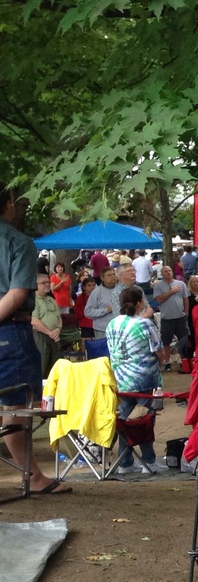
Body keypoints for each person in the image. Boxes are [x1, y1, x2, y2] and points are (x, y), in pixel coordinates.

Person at [0, 186, 72, 494]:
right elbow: (17, 294)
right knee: (16, 405)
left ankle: (32, 476)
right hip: (9, 330)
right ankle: (33, 477)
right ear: (8, 204)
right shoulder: (17, 241)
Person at [104, 286, 165, 473]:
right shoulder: (145, 324)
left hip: (121, 378)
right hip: (144, 378)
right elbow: (158, 349)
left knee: (125, 421)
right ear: (139, 303)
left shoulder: (112, 324)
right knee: (144, 420)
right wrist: (163, 361)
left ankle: (125, 462)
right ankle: (148, 460)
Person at [153, 266, 190, 371]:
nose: (168, 272)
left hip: (180, 317)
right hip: (167, 318)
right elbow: (159, 299)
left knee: (183, 340)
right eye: (165, 271)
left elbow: (185, 299)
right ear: (162, 274)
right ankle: (167, 362)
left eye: (169, 270)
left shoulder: (181, 284)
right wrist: (171, 291)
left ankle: (184, 361)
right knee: (166, 342)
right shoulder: (158, 286)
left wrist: (186, 312)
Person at [31, 272, 63, 377]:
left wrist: (58, 329)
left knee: (55, 366)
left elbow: (59, 318)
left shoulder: (51, 300)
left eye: (48, 282)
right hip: (40, 336)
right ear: (36, 285)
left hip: (55, 336)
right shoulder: (33, 300)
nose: (47, 284)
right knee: (42, 365)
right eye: (43, 283)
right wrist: (50, 333)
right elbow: (34, 321)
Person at [84, 267, 123, 336]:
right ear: (102, 278)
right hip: (102, 330)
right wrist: (106, 310)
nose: (112, 276)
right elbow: (88, 312)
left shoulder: (122, 289)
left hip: (120, 328)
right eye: (109, 275)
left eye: (114, 274)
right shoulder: (96, 292)